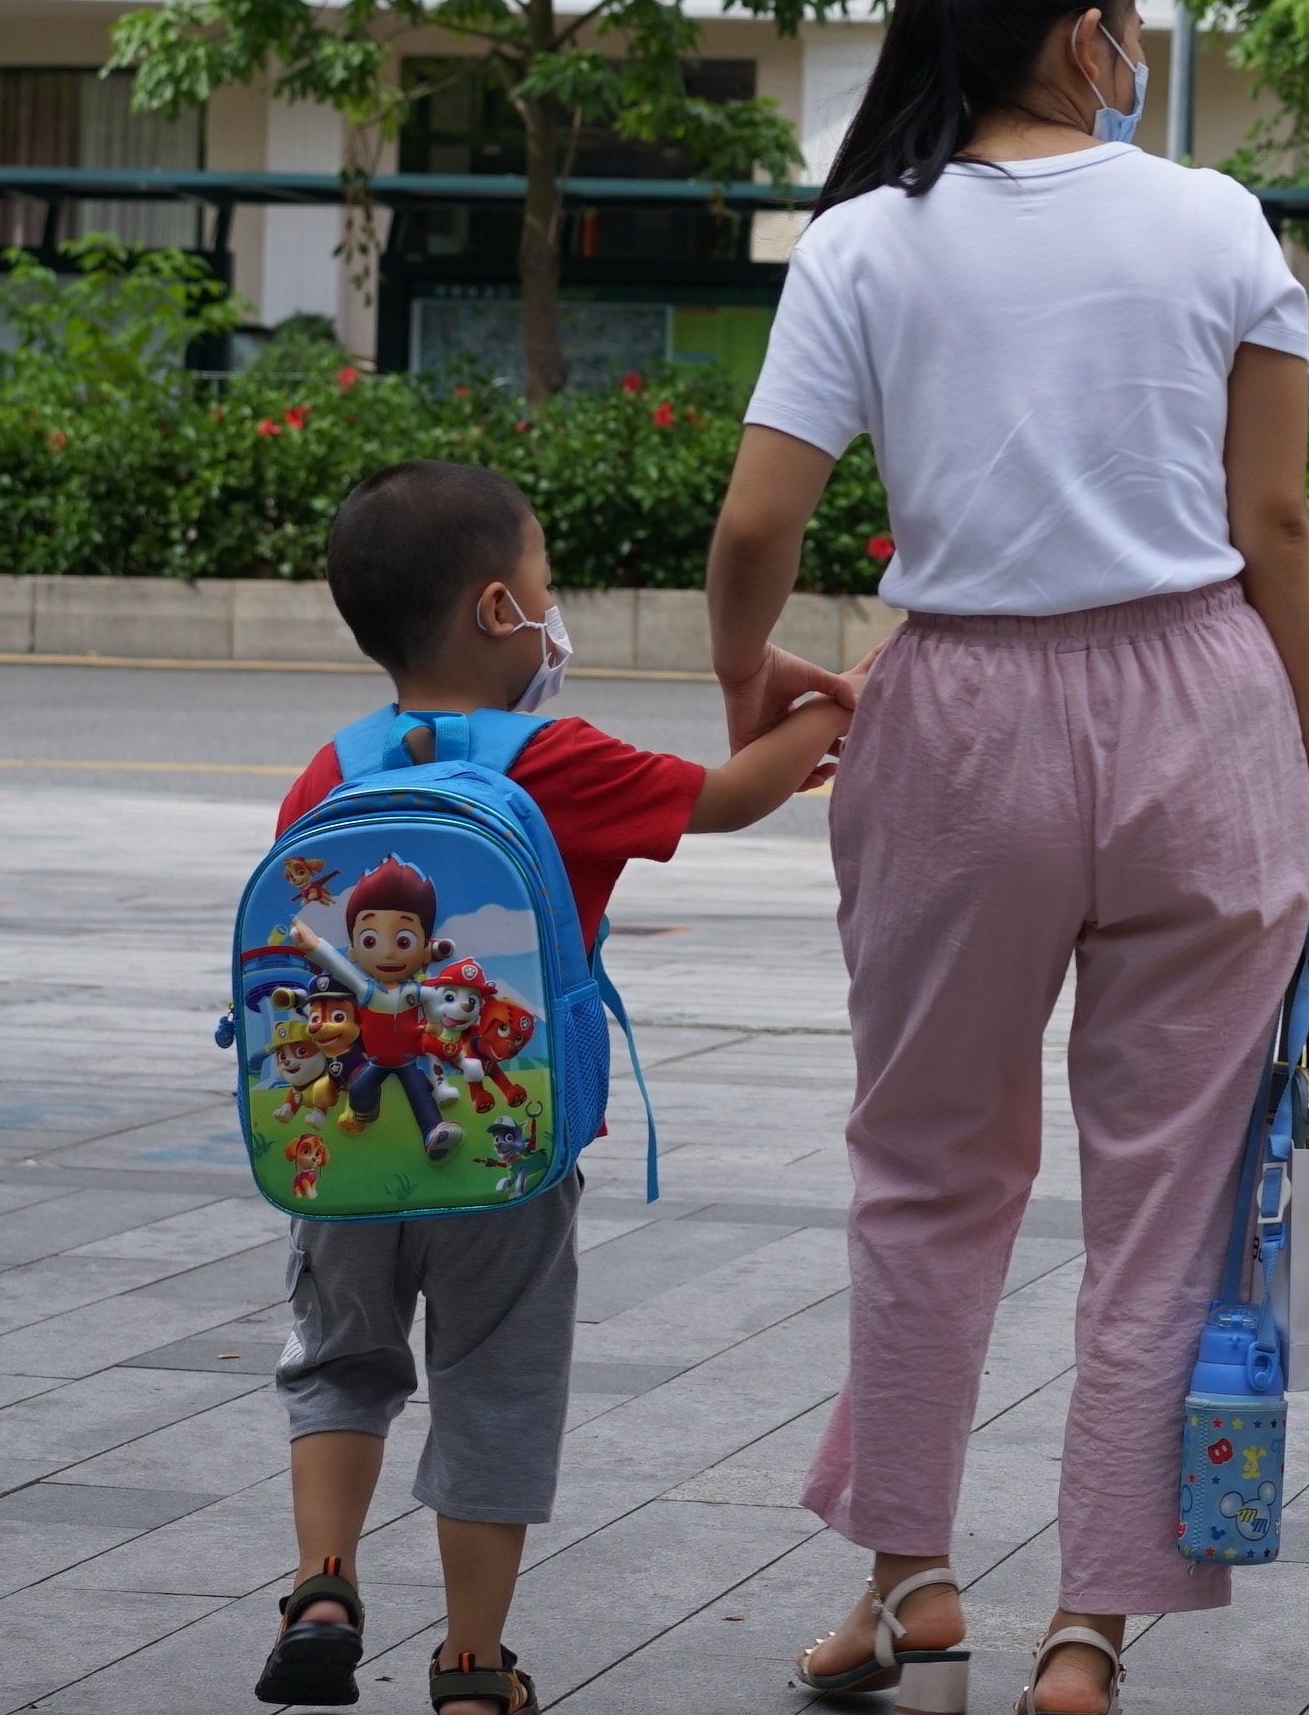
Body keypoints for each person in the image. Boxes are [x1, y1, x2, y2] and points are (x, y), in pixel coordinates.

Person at [708, 0, 1309, 1715]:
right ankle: (1093, 1623)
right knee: (1162, 1197)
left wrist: (744, 682)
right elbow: (1277, 527)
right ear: (1092, 37)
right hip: (1200, 714)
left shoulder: (861, 242)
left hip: (958, 717)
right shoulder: (1215, 218)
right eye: (1131, 19)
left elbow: (759, 521)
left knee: (924, 1169)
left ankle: (908, 1573)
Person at [257, 460, 865, 1712]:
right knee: (495, 1386)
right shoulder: (559, 758)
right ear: (497, 610)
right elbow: (737, 795)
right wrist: (835, 707)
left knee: (339, 1358)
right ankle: (473, 1665)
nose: (554, 608)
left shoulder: (331, 771)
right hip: (506, 1153)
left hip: (344, 1154)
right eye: (545, 584)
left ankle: (322, 1584)